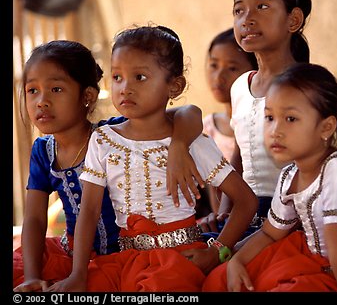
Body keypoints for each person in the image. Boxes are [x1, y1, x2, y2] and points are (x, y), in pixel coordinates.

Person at [47, 25, 257, 292]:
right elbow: (88, 212)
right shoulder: (103, 140)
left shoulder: (192, 143)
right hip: (124, 260)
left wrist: (217, 251)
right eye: (117, 77)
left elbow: (246, 201)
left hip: (179, 259)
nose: (125, 88)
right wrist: (78, 273)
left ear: (174, 85)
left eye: (140, 77)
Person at [13, 40, 205, 292]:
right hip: (73, 255)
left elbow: (189, 112)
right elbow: (36, 219)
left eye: (56, 89)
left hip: (129, 255)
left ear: (88, 96)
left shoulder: (115, 135)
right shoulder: (43, 151)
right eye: (32, 91)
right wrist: (31, 275)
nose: (41, 101)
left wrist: (179, 144)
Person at [204, 63, 337, 292]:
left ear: (326, 127)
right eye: (270, 117)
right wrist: (236, 261)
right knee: (221, 278)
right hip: (314, 260)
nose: (275, 130)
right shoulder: (289, 175)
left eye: (291, 119)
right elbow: (268, 233)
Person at [217, 0, 313, 241]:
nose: (247, 18)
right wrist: (226, 207)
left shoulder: (306, 85)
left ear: (293, 20)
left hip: (293, 219)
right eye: (239, 10)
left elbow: (313, 164)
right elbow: (240, 151)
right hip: (245, 213)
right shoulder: (240, 86)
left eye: (261, 7)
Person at [198, 28, 257, 221]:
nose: (218, 76)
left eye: (232, 68)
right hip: (221, 220)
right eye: (214, 65)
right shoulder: (205, 128)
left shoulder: (263, 125)